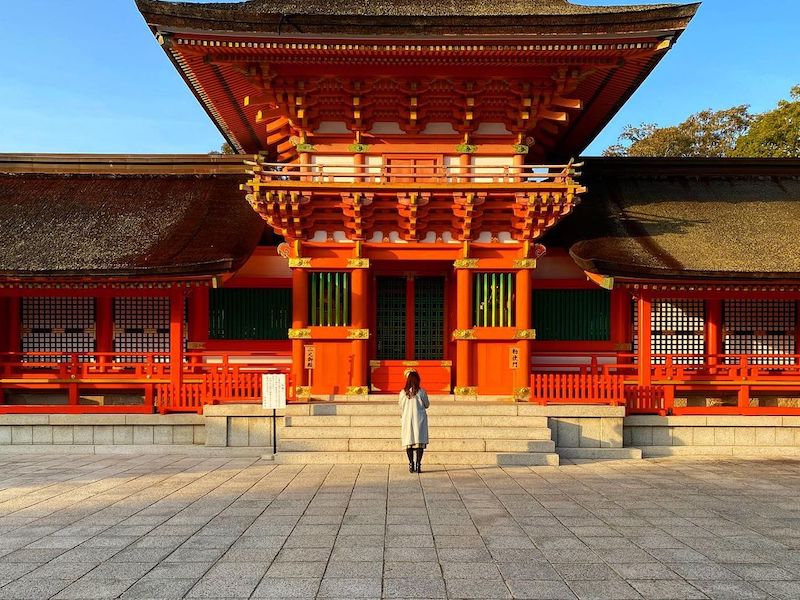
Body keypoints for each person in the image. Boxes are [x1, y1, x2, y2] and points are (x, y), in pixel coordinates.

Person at [399, 370, 429, 473]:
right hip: (419, 419)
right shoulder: (421, 392)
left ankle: (411, 464)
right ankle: (418, 465)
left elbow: (400, 405)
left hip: (407, 419)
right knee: (419, 442)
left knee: (409, 442)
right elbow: (427, 404)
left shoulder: (403, 393)